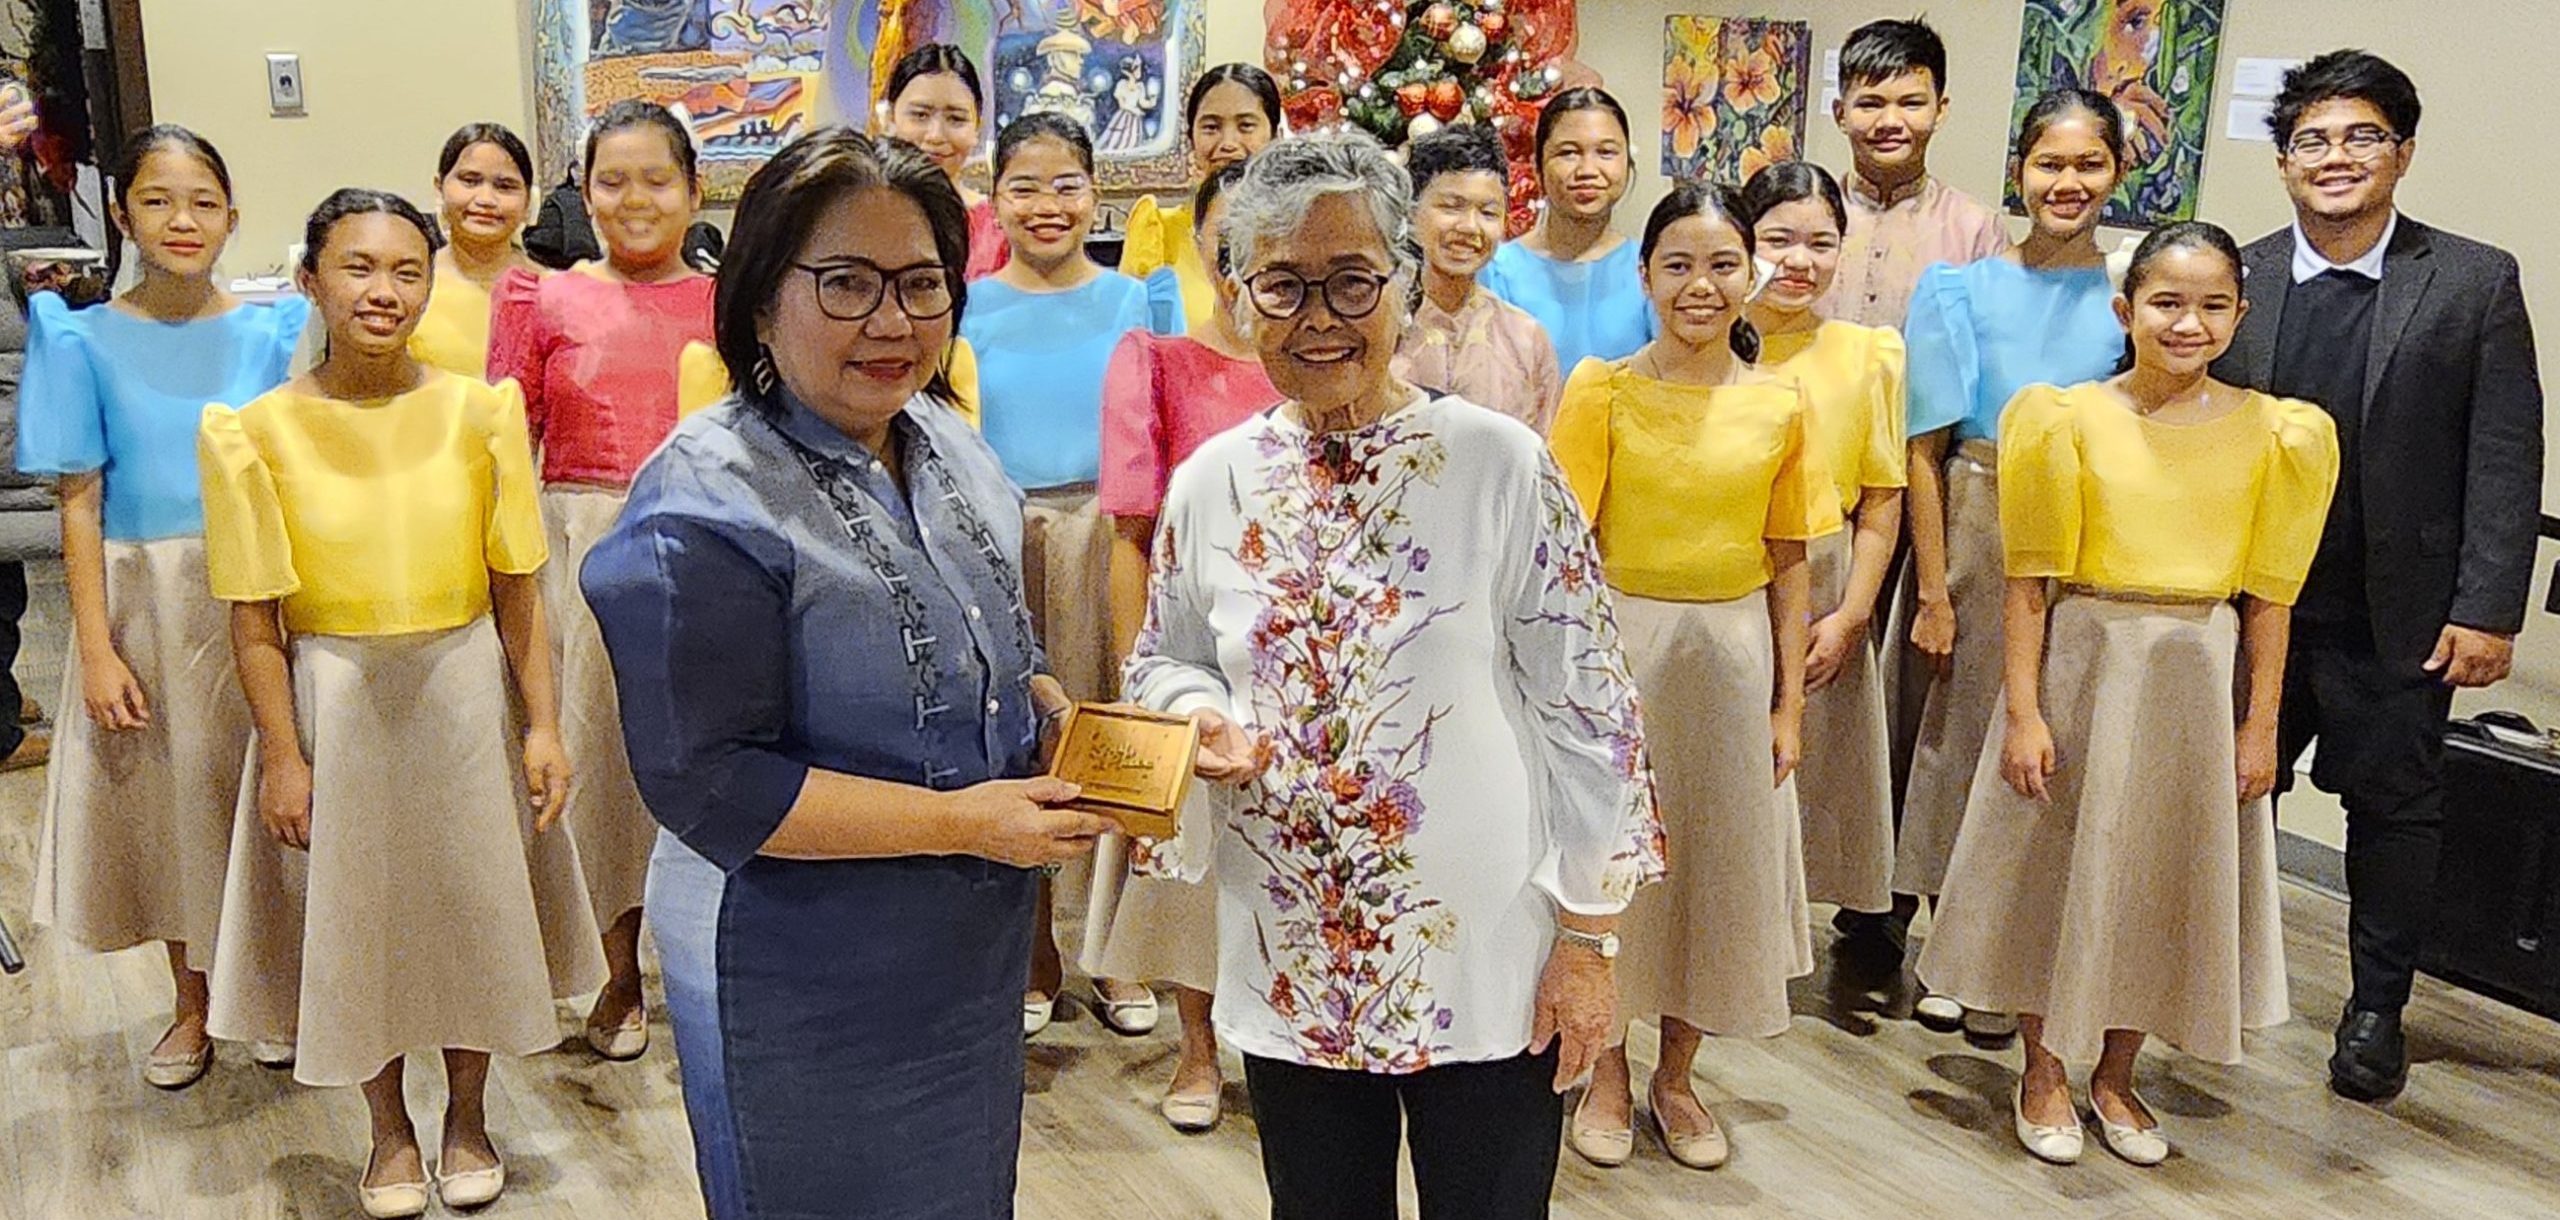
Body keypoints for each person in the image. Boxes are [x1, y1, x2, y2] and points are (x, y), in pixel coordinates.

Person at [1123, 128, 1664, 1220]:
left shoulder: (1498, 462)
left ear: (1404, 288)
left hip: (1491, 950)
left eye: (1352, 279)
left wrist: (1589, 938)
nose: (1317, 316)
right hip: (1291, 942)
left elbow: (1590, 706)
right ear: (1235, 295)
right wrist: (1200, 715)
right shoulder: (1212, 482)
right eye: (1281, 283)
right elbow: (1164, 657)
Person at [582, 126, 1114, 1220]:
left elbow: (987, 632)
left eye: (921, 283)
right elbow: (712, 782)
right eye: (847, 283)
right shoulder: (705, 501)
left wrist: (1051, 709)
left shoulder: (946, 443)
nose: (893, 321)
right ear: (761, 296)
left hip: (962, 948)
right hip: (797, 961)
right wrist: (965, 822)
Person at [198, 188, 605, 1218]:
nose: (383, 291)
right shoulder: (258, 432)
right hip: (333, 693)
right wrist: (285, 755)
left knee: (470, 900)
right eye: (358, 268)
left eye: (406, 270)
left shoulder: (480, 410)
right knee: (362, 915)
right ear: (310, 282)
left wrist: (545, 722)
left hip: (464, 684)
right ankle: (388, 1128)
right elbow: (255, 619)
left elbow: (519, 588)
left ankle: (467, 1116)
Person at [1920, 223, 2337, 1166]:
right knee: (2056, 864)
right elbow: (2028, 584)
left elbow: (2272, 599)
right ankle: (2044, 1066)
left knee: (2159, 871)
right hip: (2087, 658)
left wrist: (2261, 723)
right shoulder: (2065, 419)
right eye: (2166, 302)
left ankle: (2117, 1071)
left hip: (2199, 667)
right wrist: (2023, 710)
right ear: (2126, 310)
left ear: (2238, 314)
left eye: (2211, 305)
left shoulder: (2280, 435)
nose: (2187, 323)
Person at [2212, 51, 2544, 1105]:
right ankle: (2202, 981)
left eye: (2361, 136)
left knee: (2394, 814)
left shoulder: (2470, 279)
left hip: (2394, 613)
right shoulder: (2240, 276)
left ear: (2400, 152)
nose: (2335, 157)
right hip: (2246, 607)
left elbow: (2504, 451)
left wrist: (2486, 606)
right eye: (2311, 138)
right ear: (2281, 162)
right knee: (2224, 797)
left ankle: (2372, 1010)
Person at [1550, 182, 1837, 1172]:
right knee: (1615, 865)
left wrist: (1789, 703)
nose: (1700, 284)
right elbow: (1563, 548)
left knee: (1712, 865)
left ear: (1749, 273)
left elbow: (1790, 556)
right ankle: (1605, 1067)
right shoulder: (1601, 388)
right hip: (1621, 649)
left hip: (1733, 655)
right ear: (1645, 276)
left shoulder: (1781, 403)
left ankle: (1677, 1073)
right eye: (1677, 264)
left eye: (1722, 264)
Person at [16, 126, 307, 1090]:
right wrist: (94, 649)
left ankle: (279, 993)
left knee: (269, 792)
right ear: (124, 213)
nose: (182, 221)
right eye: (157, 201)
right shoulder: (79, 335)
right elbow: (79, 499)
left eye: (203, 202)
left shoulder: (276, 331)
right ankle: (193, 1003)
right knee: (176, 805)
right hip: (150, 601)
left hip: (265, 595)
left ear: (232, 216)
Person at [486, 98, 716, 1063]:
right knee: (601, 760)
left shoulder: (731, 296)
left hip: (711, 537)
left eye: (656, 179)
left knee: (714, 749)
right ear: (583, 190)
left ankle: (714, 963)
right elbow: (505, 448)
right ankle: (616, 972)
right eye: (610, 180)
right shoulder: (537, 297)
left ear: (695, 191)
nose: (634, 200)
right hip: (580, 539)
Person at [1895, 90, 2129, 1040]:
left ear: (2116, 173)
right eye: (2050, 165)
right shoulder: (1960, 288)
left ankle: (2020, 954)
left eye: (2089, 166)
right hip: (1983, 516)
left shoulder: (2127, 292)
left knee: (2053, 742)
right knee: (1966, 735)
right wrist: (1933, 587)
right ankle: (1952, 942)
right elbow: (1924, 448)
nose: (2067, 184)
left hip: (2094, 532)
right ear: (2020, 173)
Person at [961, 110, 1177, 1038]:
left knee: (1108, 739)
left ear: (1099, 195)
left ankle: (1119, 953)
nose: (1047, 205)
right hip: (1000, 531)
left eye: (1067, 186)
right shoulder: (965, 304)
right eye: (1025, 185)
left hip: (1107, 532)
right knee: (1018, 741)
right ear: (995, 196)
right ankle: (1036, 948)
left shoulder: (1136, 299)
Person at [1083, 161, 1277, 1133]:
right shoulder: (1155, 360)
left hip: (1306, 658)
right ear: (1204, 243)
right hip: (1196, 652)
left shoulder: (1325, 368)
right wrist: (1134, 683)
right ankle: (1198, 1047)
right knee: (1195, 859)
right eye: (1231, 232)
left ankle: (1296, 1050)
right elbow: (1131, 536)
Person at [1741, 162, 1908, 928]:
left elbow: (1881, 499)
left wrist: (1852, 617)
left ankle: (1785, 938)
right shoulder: (1710, 341)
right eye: (1778, 240)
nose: (1798, 262)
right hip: (1730, 571)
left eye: (1821, 242)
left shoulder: (1864, 352)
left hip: (1829, 572)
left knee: (1810, 770)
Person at [1818, 18, 2010, 329]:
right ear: (1840, 114)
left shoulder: (1978, 230)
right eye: (1870, 104)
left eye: (1911, 103)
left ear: (1940, 111)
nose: (1890, 122)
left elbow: (1994, 342)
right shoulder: (1808, 218)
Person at [1393, 123, 1563, 432]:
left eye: (1487, 212)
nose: (1470, 227)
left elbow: (1542, 460)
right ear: (1411, 214)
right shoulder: (1380, 331)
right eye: (1451, 207)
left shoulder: (1526, 339)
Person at [1483, 87, 1655, 373]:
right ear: (1537, 168)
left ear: (1628, 164)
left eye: (1606, 152)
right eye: (1568, 153)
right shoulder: (1496, 271)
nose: (1588, 169)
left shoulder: (1651, 269)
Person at [1116, 62, 1282, 334]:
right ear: (1191, 138)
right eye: (1211, 127)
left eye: (1246, 126)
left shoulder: (1297, 233)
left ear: (1275, 135)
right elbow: (1131, 342)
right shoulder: (1157, 232)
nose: (1228, 142)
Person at [411, 123, 535, 377]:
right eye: (470, 181)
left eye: (505, 186)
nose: (486, 200)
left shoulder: (553, 291)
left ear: (528, 201)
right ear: (439, 187)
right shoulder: (409, 286)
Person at [881, 43, 1006, 281]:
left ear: (977, 127)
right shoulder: (865, 217)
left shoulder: (998, 229)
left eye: (956, 119)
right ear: (889, 119)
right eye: (920, 115)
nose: (936, 135)